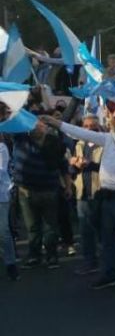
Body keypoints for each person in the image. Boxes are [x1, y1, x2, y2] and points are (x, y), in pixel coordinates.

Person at [46, 109, 115, 290]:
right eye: (113, 117)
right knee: (107, 239)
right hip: (106, 195)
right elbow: (82, 133)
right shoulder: (109, 138)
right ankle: (110, 274)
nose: (113, 121)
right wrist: (56, 123)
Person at [12, 116, 68, 270]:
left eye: (40, 125)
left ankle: (52, 256)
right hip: (26, 191)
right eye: (33, 125)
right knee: (32, 226)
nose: (37, 127)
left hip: (49, 190)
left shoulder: (55, 143)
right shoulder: (21, 139)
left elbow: (63, 166)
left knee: (51, 226)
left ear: (46, 127)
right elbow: (12, 119)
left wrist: (68, 186)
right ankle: (34, 256)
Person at [0, 139, 17, 280]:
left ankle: (11, 263)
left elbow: (1, 170)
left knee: (3, 231)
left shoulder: (1, 147)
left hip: (1, 195)